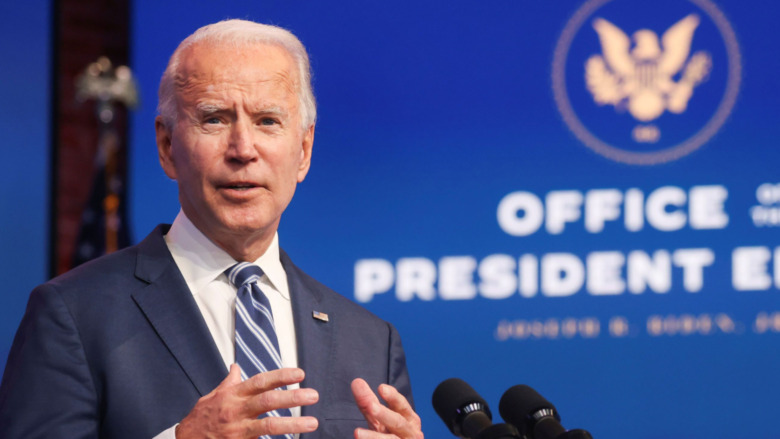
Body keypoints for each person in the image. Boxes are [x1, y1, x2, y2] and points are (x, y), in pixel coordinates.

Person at [0, 19, 424, 439]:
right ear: (167, 147)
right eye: (215, 119)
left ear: (304, 150)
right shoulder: (72, 315)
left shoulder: (370, 342)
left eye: (267, 121)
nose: (243, 149)